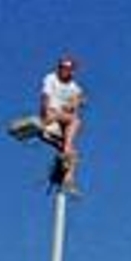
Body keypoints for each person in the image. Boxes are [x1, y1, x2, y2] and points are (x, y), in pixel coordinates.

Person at [38, 55, 85, 192]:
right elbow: (45, 98)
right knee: (74, 121)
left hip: (61, 125)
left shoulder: (74, 87)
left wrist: (74, 103)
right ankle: (66, 150)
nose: (65, 71)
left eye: (68, 69)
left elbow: (79, 102)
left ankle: (68, 181)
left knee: (72, 153)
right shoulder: (51, 78)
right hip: (50, 118)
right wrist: (45, 115)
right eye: (63, 68)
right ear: (59, 68)